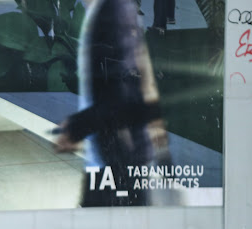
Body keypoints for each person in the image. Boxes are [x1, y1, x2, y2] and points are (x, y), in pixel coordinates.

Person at [55, 0, 170, 206]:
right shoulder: (109, 9)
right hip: (115, 151)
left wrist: (77, 127)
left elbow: (124, 93)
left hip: (121, 152)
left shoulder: (112, 11)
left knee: (108, 224)